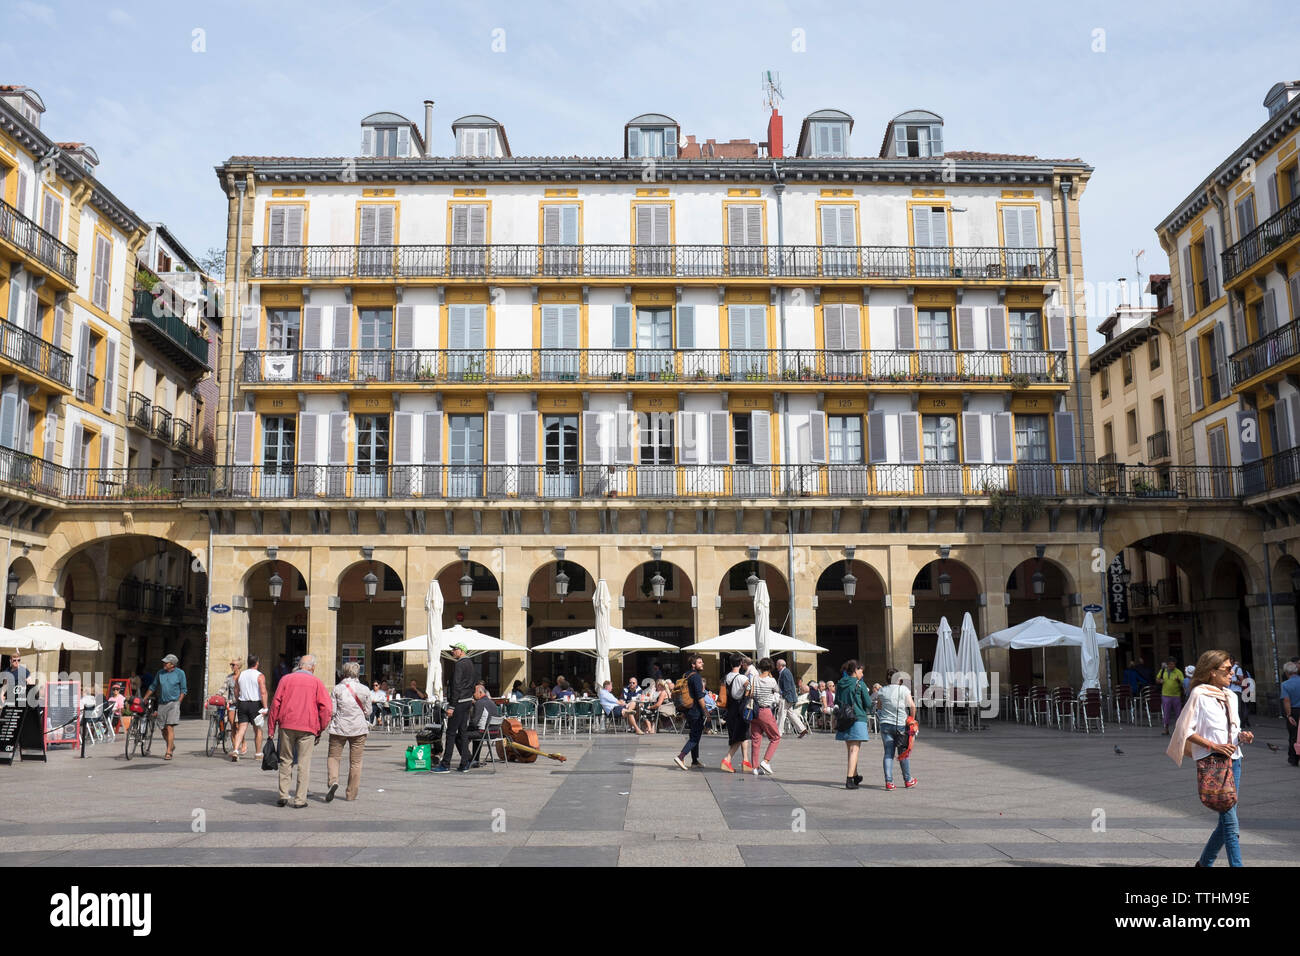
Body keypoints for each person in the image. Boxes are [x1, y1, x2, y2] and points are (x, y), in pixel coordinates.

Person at [1167, 650, 1254, 867]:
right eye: (1227, 669)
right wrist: (1213, 745)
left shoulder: (1232, 697)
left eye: (1232, 668)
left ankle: (1204, 863)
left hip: (1235, 760)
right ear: (1212, 672)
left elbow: (1234, 728)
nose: (1232, 673)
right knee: (1231, 823)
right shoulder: (1199, 694)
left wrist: (1243, 735)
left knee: (1227, 820)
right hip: (1213, 762)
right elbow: (1184, 729)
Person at [267, 655, 333, 808]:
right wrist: (320, 728)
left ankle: (283, 795)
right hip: (308, 727)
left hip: (287, 724)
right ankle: (299, 799)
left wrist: (271, 729)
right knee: (304, 763)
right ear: (313, 667)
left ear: (299, 665)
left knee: (285, 760)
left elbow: (275, 704)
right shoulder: (317, 682)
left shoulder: (285, 679)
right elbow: (327, 708)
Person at [326, 661, 371, 802]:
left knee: (334, 757)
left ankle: (333, 781)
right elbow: (368, 712)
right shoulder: (364, 689)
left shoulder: (337, 689)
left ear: (344, 673)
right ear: (357, 673)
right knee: (356, 762)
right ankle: (351, 794)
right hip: (358, 729)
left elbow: (332, 711)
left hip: (339, 728)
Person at [433, 643, 476, 773]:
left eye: (455, 649)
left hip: (458, 702)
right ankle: (464, 763)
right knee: (462, 732)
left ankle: (445, 764)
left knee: (451, 733)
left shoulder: (459, 664)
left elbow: (456, 686)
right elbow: (473, 684)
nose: (452, 651)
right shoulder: (471, 664)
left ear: (461, 651)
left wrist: (451, 706)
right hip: (467, 701)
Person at [835, 659, 872, 790]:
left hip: (844, 718)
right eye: (861, 671)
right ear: (856, 670)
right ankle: (849, 779)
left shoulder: (839, 684)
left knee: (850, 749)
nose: (862, 674)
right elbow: (868, 703)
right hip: (857, 717)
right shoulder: (859, 684)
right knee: (854, 749)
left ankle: (855, 775)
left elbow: (837, 701)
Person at [878, 669, 917, 790]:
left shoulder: (882, 690)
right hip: (900, 724)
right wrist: (912, 719)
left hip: (885, 725)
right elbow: (912, 706)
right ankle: (908, 780)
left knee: (888, 753)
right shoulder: (903, 689)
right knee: (903, 753)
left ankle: (889, 782)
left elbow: (879, 706)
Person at [142, 654, 187, 761]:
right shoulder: (160, 673)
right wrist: (145, 698)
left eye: (166, 662)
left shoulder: (180, 673)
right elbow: (153, 686)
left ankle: (168, 752)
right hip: (162, 703)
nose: (163, 664)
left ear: (172, 664)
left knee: (169, 726)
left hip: (174, 703)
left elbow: (183, 690)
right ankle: (171, 745)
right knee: (163, 729)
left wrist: (178, 702)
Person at [748, 658, 782, 776]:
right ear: (771, 668)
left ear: (760, 667)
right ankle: (766, 761)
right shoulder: (772, 681)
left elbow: (750, 693)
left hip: (754, 711)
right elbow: (778, 691)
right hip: (765, 711)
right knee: (776, 737)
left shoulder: (754, 679)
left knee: (756, 739)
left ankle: (754, 767)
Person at [672, 655, 708, 770]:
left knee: (694, 734)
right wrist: (706, 711)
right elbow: (699, 696)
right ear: (693, 665)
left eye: (702, 662)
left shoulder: (686, 675)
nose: (702, 664)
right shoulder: (696, 677)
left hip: (687, 709)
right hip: (695, 711)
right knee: (695, 736)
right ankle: (681, 756)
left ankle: (694, 761)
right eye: (699, 662)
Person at [231, 655, 268, 761]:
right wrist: (265, 707)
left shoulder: (241, 675)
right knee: (258, 730)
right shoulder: (260, 675)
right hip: (255, 704)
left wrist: (238, 700)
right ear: (257, 663)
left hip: (242, 703)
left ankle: (235, 750)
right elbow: (263, 691)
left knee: (241, 729)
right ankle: (258, 753)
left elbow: (236, 690)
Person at [720, 656, 752, 773]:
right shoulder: (742, 678)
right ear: (740, 663)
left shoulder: (726, 677)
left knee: (743, 735)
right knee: (740, 736)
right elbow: (749, 687)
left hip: (730, 710)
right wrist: (748, 693)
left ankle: (746, 761)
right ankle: (727, 760)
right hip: (740, 709)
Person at [774, 658, 809, 738]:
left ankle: (778, 733)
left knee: (781, 714)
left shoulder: (785, 672)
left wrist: (784, 696)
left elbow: (787, 686)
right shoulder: (785, 672)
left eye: (777, 665)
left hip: (786, 697)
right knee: (790, 714)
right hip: (789, 697)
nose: (776, 667)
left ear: (780, 665)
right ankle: (802, 729)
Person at [467, 682, 500, 767]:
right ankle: (475, 759)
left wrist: (465, 727)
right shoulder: (492, 702)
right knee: (476, 732)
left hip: (485, 733)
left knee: (459, 736)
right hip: (495, 732)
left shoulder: (479, 703)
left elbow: (474, 722)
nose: (473, 695)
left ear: (480, 692)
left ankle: (470, 759)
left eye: (474, 693)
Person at [1156, 657, 1185, 736]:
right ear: (1167, 665)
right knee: (1166, 713)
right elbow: (1157, 679)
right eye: (1170, 664)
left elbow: (1183, 683)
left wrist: (1178, 680)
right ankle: (1166, 729)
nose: (1172, 666)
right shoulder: (1163, 671)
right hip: (1165, 695)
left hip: (1176, 695)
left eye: (1173, 664)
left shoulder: (1178, 672)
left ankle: (1178, 729)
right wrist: (1160, 681)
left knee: (1178, 713)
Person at [1280, 661, 1300, 768]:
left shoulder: (1285, 684)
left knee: (1293, 736)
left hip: (1294, 711)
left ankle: (1294, 758)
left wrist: (1289, 715)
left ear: (1287, 673)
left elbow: (1286, 701)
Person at [219, 659, 240, 738]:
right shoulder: (229, 677)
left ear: (238, 666)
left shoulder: (242, 676)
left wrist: (234, 700)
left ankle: (243, 742)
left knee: (238, 726)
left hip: (240, 704)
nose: (232, 666)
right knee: (232, 725)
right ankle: (235, 748)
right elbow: (223, 687)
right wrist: (218, 695)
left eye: (233, 665)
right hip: (231, 704)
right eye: (231, 665)